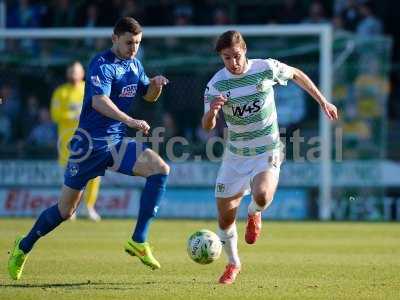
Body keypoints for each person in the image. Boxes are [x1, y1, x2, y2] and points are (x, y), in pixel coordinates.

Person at [8, 17, 170, 280]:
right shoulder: (101, 64)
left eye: (138, 43)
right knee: (65, 211)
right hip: (89, 145)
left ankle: (139, 240)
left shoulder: (135, 65)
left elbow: (148, 97)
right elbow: (99, 102)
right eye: (129, 42)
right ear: (114, 38)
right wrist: (130, 121)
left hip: (116, 143)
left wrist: (155, 86)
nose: (133, 48)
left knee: (160, 169)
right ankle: (23, 246)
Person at [202, 30, 338, 284]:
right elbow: (207, 126)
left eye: (237, 56)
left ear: (245, 50)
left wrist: (323, 101)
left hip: (266, 149)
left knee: (262, 195)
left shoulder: (265, 68)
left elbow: (297, 73)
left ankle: (254, 212)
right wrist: (213, 111)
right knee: (224, 217)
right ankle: (233, 264)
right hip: (235, 155)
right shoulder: (216, 84)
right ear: (221, 58)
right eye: (227, 58)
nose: (233, 62)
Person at [50, 61, 102, 221]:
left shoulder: (90, 88)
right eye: (71, 71)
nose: (73, 74)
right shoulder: (61, 92)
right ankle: (68, 209)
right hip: (67, 142)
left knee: (94, 175)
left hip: (90, 140)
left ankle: (89, 207)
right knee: (69, 175)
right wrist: (73, 115)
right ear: (67, 73)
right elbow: (55, 114)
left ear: (82, 74)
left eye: (76, 71)